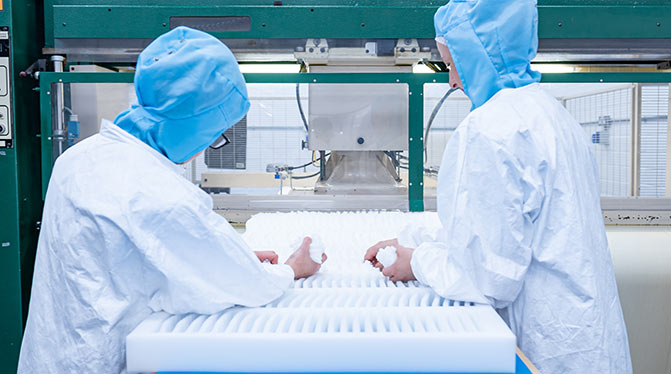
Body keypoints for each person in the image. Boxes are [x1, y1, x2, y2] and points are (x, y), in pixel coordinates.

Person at [18, 26, 326, 374]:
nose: (206, 147)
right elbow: (249, 287)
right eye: (214, 134)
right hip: (101, 362)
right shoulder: (159, 194)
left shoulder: (78, 159)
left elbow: (131, 261)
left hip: (48, 358)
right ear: (194, 124)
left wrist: (214, 254)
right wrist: (291, 269)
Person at [365, 1, 632, 372]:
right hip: (589, 342)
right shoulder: (552, 114)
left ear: (478, 51)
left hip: (546, 351)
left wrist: (417, 261)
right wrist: (419, 238)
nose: (452, 80)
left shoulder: (491, 129)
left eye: (452, 62)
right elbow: (507, 228)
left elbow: (490, 281)